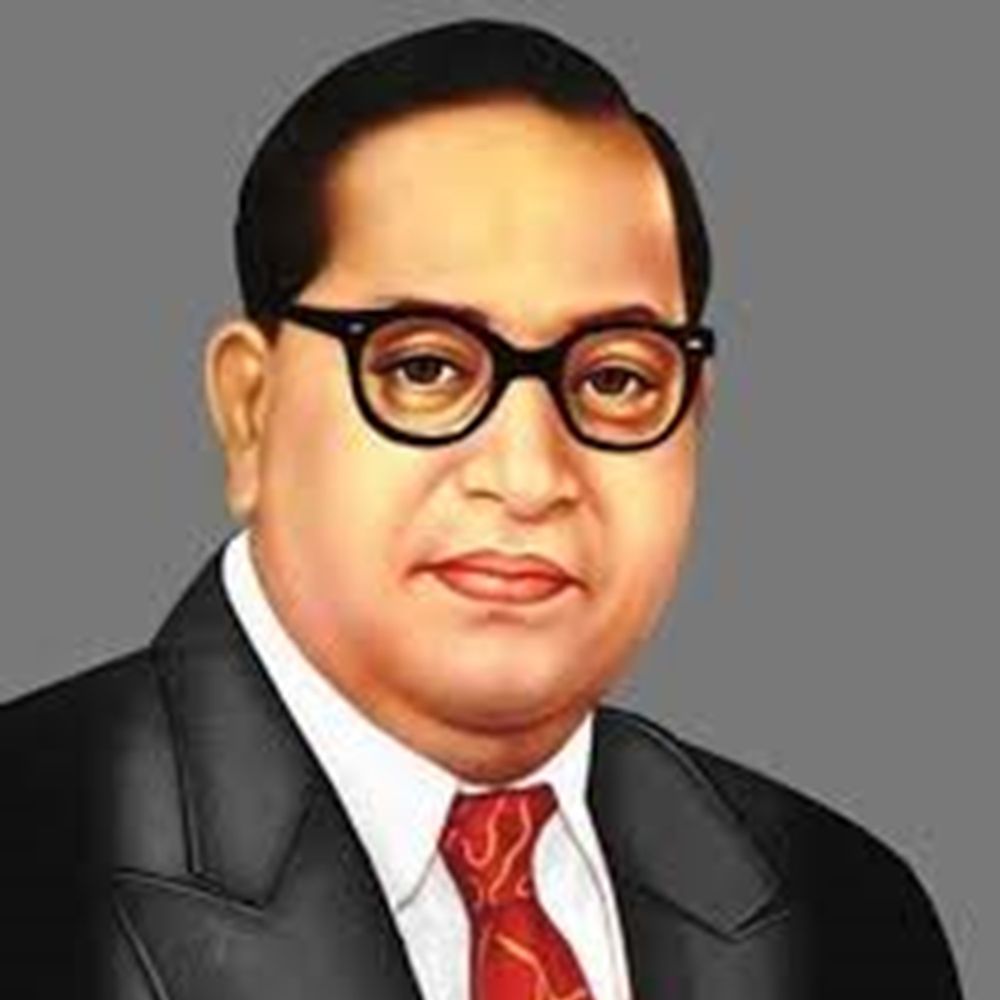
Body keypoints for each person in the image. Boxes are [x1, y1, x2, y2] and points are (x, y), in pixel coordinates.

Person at [0, 19, 963, 1000]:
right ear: (251, 409)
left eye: (616, 379)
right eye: (426, 368)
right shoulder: (33, 855)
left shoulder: (846, 912)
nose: (529, 474)